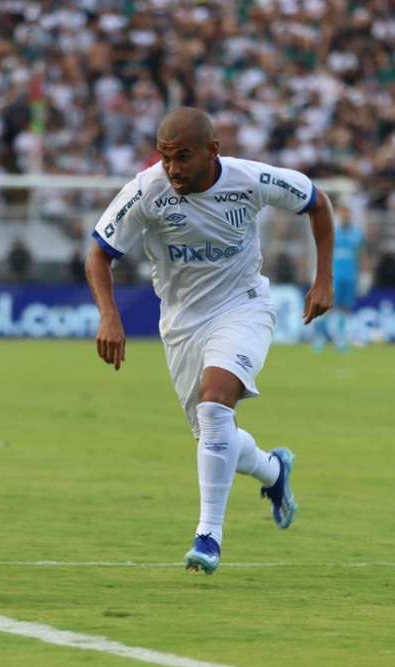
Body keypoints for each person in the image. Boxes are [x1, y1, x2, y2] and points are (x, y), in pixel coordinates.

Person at [85, 107, 335, 575]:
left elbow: (317, 202)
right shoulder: (146, 191)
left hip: (244, 307)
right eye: (165, 158)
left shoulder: (250, 179)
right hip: (181, 325)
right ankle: (274, 471)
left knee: (216, 405)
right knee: (213, 434)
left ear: (211, 151)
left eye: (182, 157)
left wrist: (324, 279)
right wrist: (108, 315)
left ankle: (208, 536)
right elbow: (98, 254)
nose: (173, 169)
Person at [314, 204, 364, 353]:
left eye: (348, 214)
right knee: (328, 307)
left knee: (345, 308)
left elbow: (362, 256)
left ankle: (340, 340)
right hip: (334, 276)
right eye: (343, 214)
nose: (346, 217)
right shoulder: (332, 233)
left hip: (350, 277)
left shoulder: (357, 235)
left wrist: (364, 274)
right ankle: (320, 337)